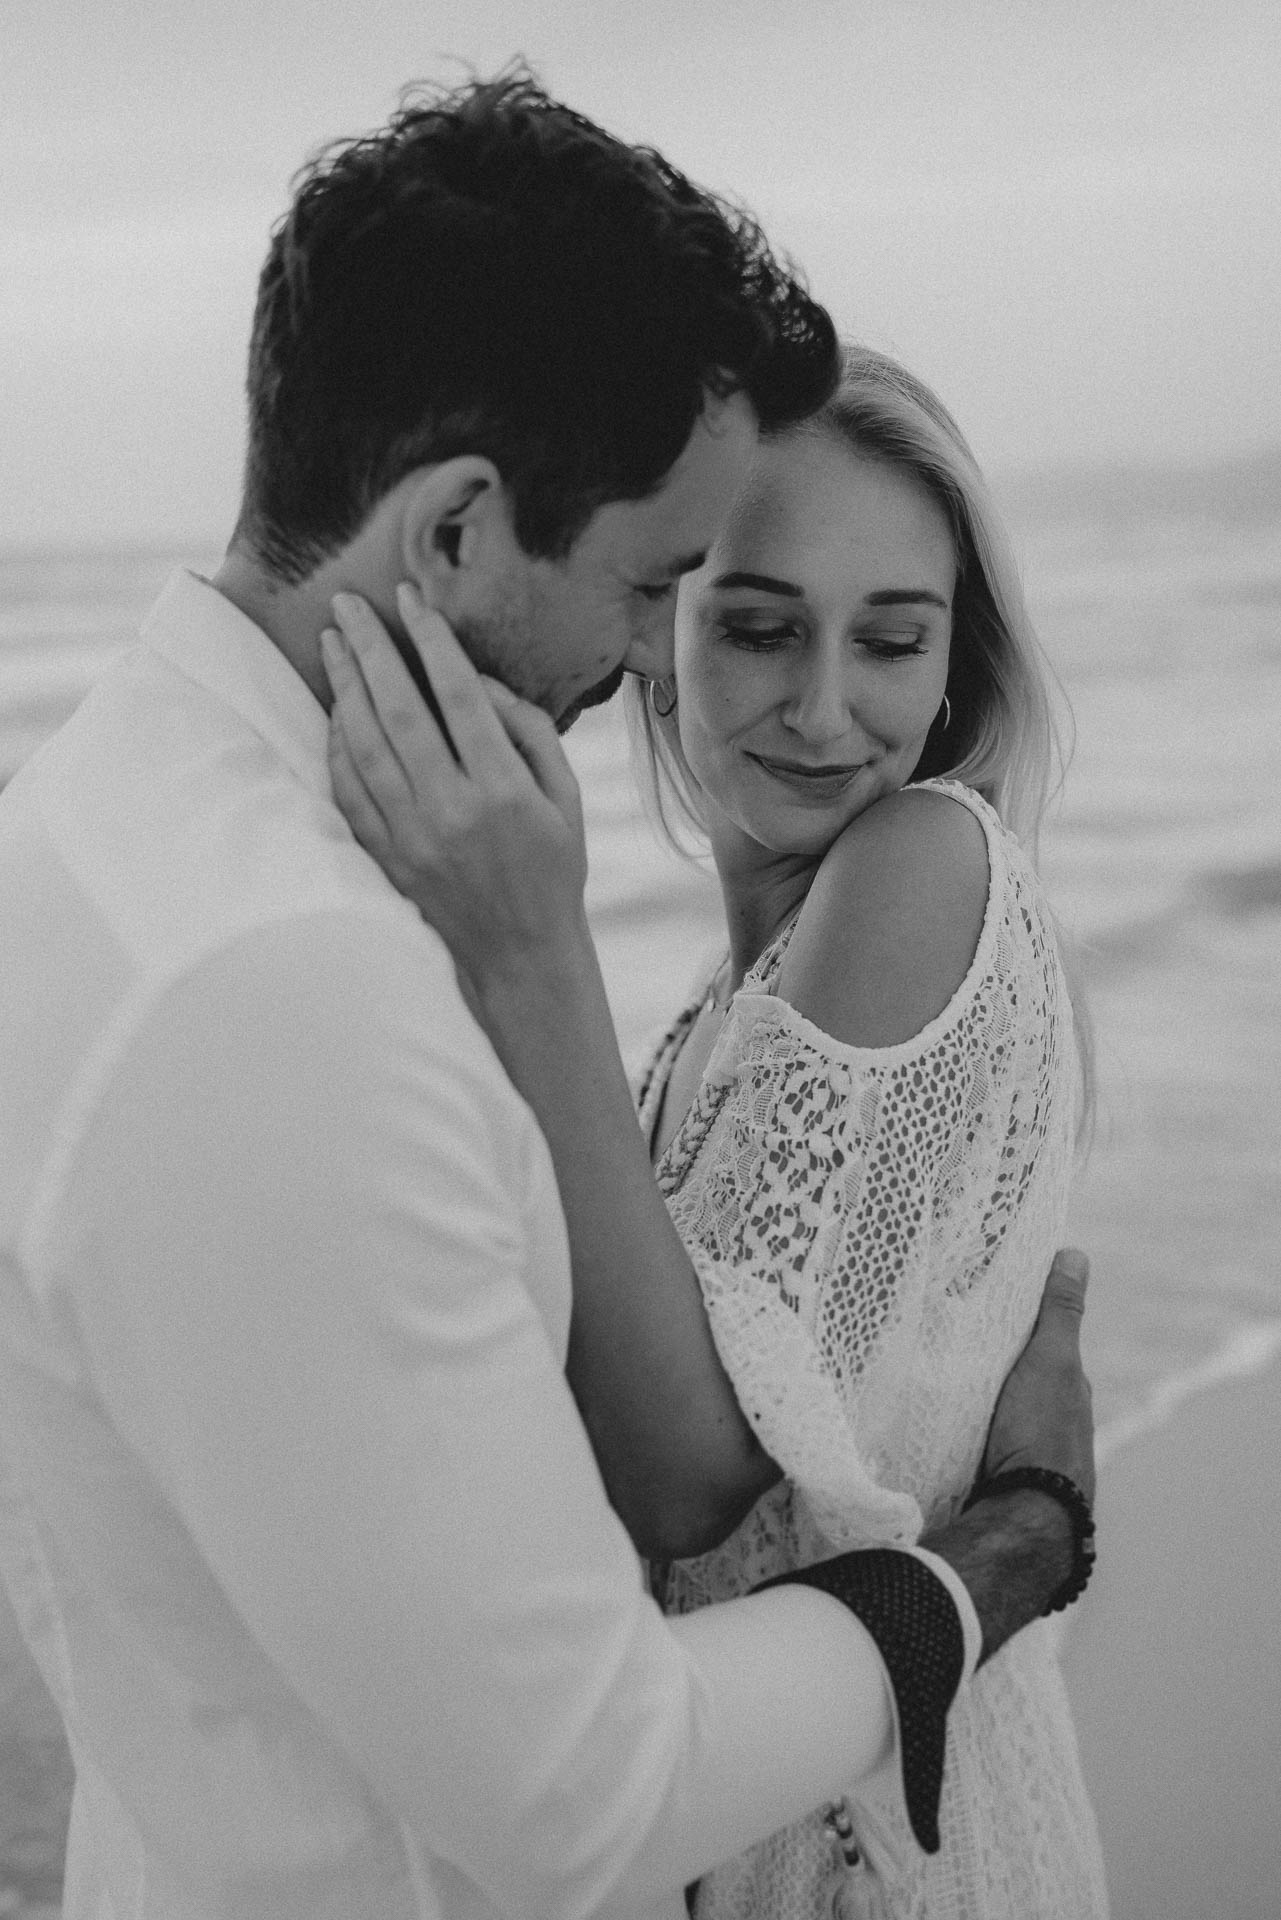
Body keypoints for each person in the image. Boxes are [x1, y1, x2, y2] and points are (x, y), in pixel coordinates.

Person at [0, 74, 1094, 1920]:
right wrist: (1000, 1552)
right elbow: (584, 1781)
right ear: (450, 535)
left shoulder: (92, 823)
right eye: (663, 587)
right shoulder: (293, 976)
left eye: (886, 635)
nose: (641, 653)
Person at [322, 346, 1108, 1918]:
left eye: (891, 640)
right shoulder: (712, 1011)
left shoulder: (919, 864)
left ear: (955, 666)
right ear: (658, 636)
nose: (824, 710)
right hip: (782, 1828)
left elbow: (691, 1485)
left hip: (893, 1864)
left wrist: (529, 949)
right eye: (757, 628)